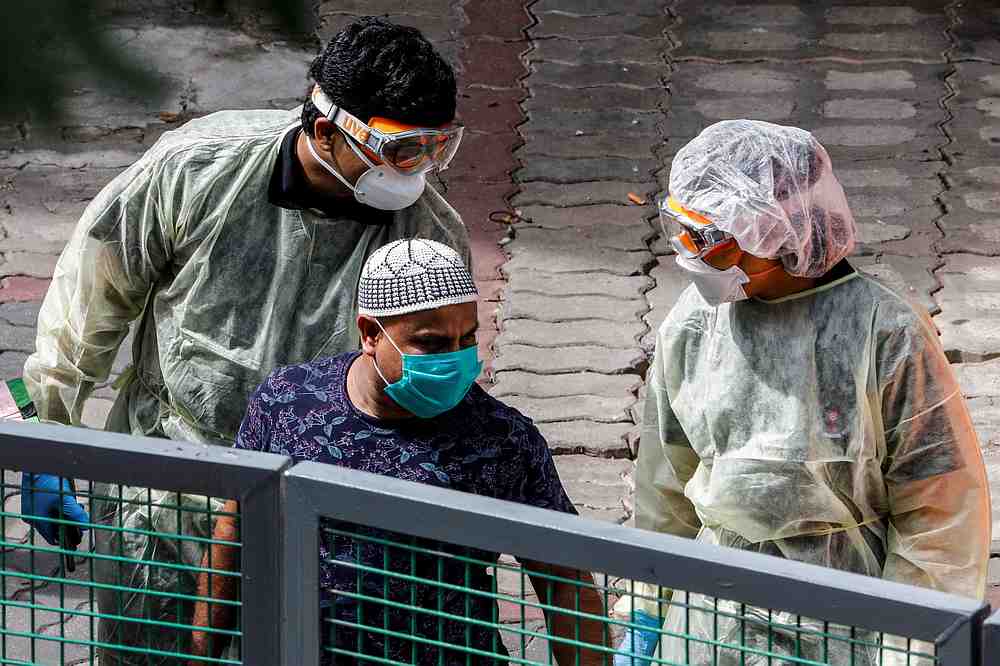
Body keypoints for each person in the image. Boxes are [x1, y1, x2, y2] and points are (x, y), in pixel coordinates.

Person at [20, 18, 470, 663]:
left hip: (317, 505)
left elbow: (427, 377)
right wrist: (49, 437)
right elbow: (88, 304)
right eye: (400, 147)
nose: (418, 167)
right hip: (171, 482)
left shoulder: (424, 236)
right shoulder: (195, 170)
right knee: (150, 649)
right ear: (324, 130)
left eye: (436, 147)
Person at [616, 120, 990, 666]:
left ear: (777, 231)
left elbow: (938, 513)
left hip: (847, 614)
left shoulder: (884, 333)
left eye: (714, 243)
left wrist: (913, 644)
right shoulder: (695, 326)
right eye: (689, 235)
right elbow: (665, 483)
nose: (694, 259)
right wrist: (647, 605)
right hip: (710, 616)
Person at [189, 238, 610, 665]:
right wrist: (202, 655)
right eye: (432, 343)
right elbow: (235, 530)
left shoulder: (503, 441)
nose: (455, 359)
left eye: (467, 338)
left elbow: (564, 582)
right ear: (371, 333)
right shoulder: (286, 404)